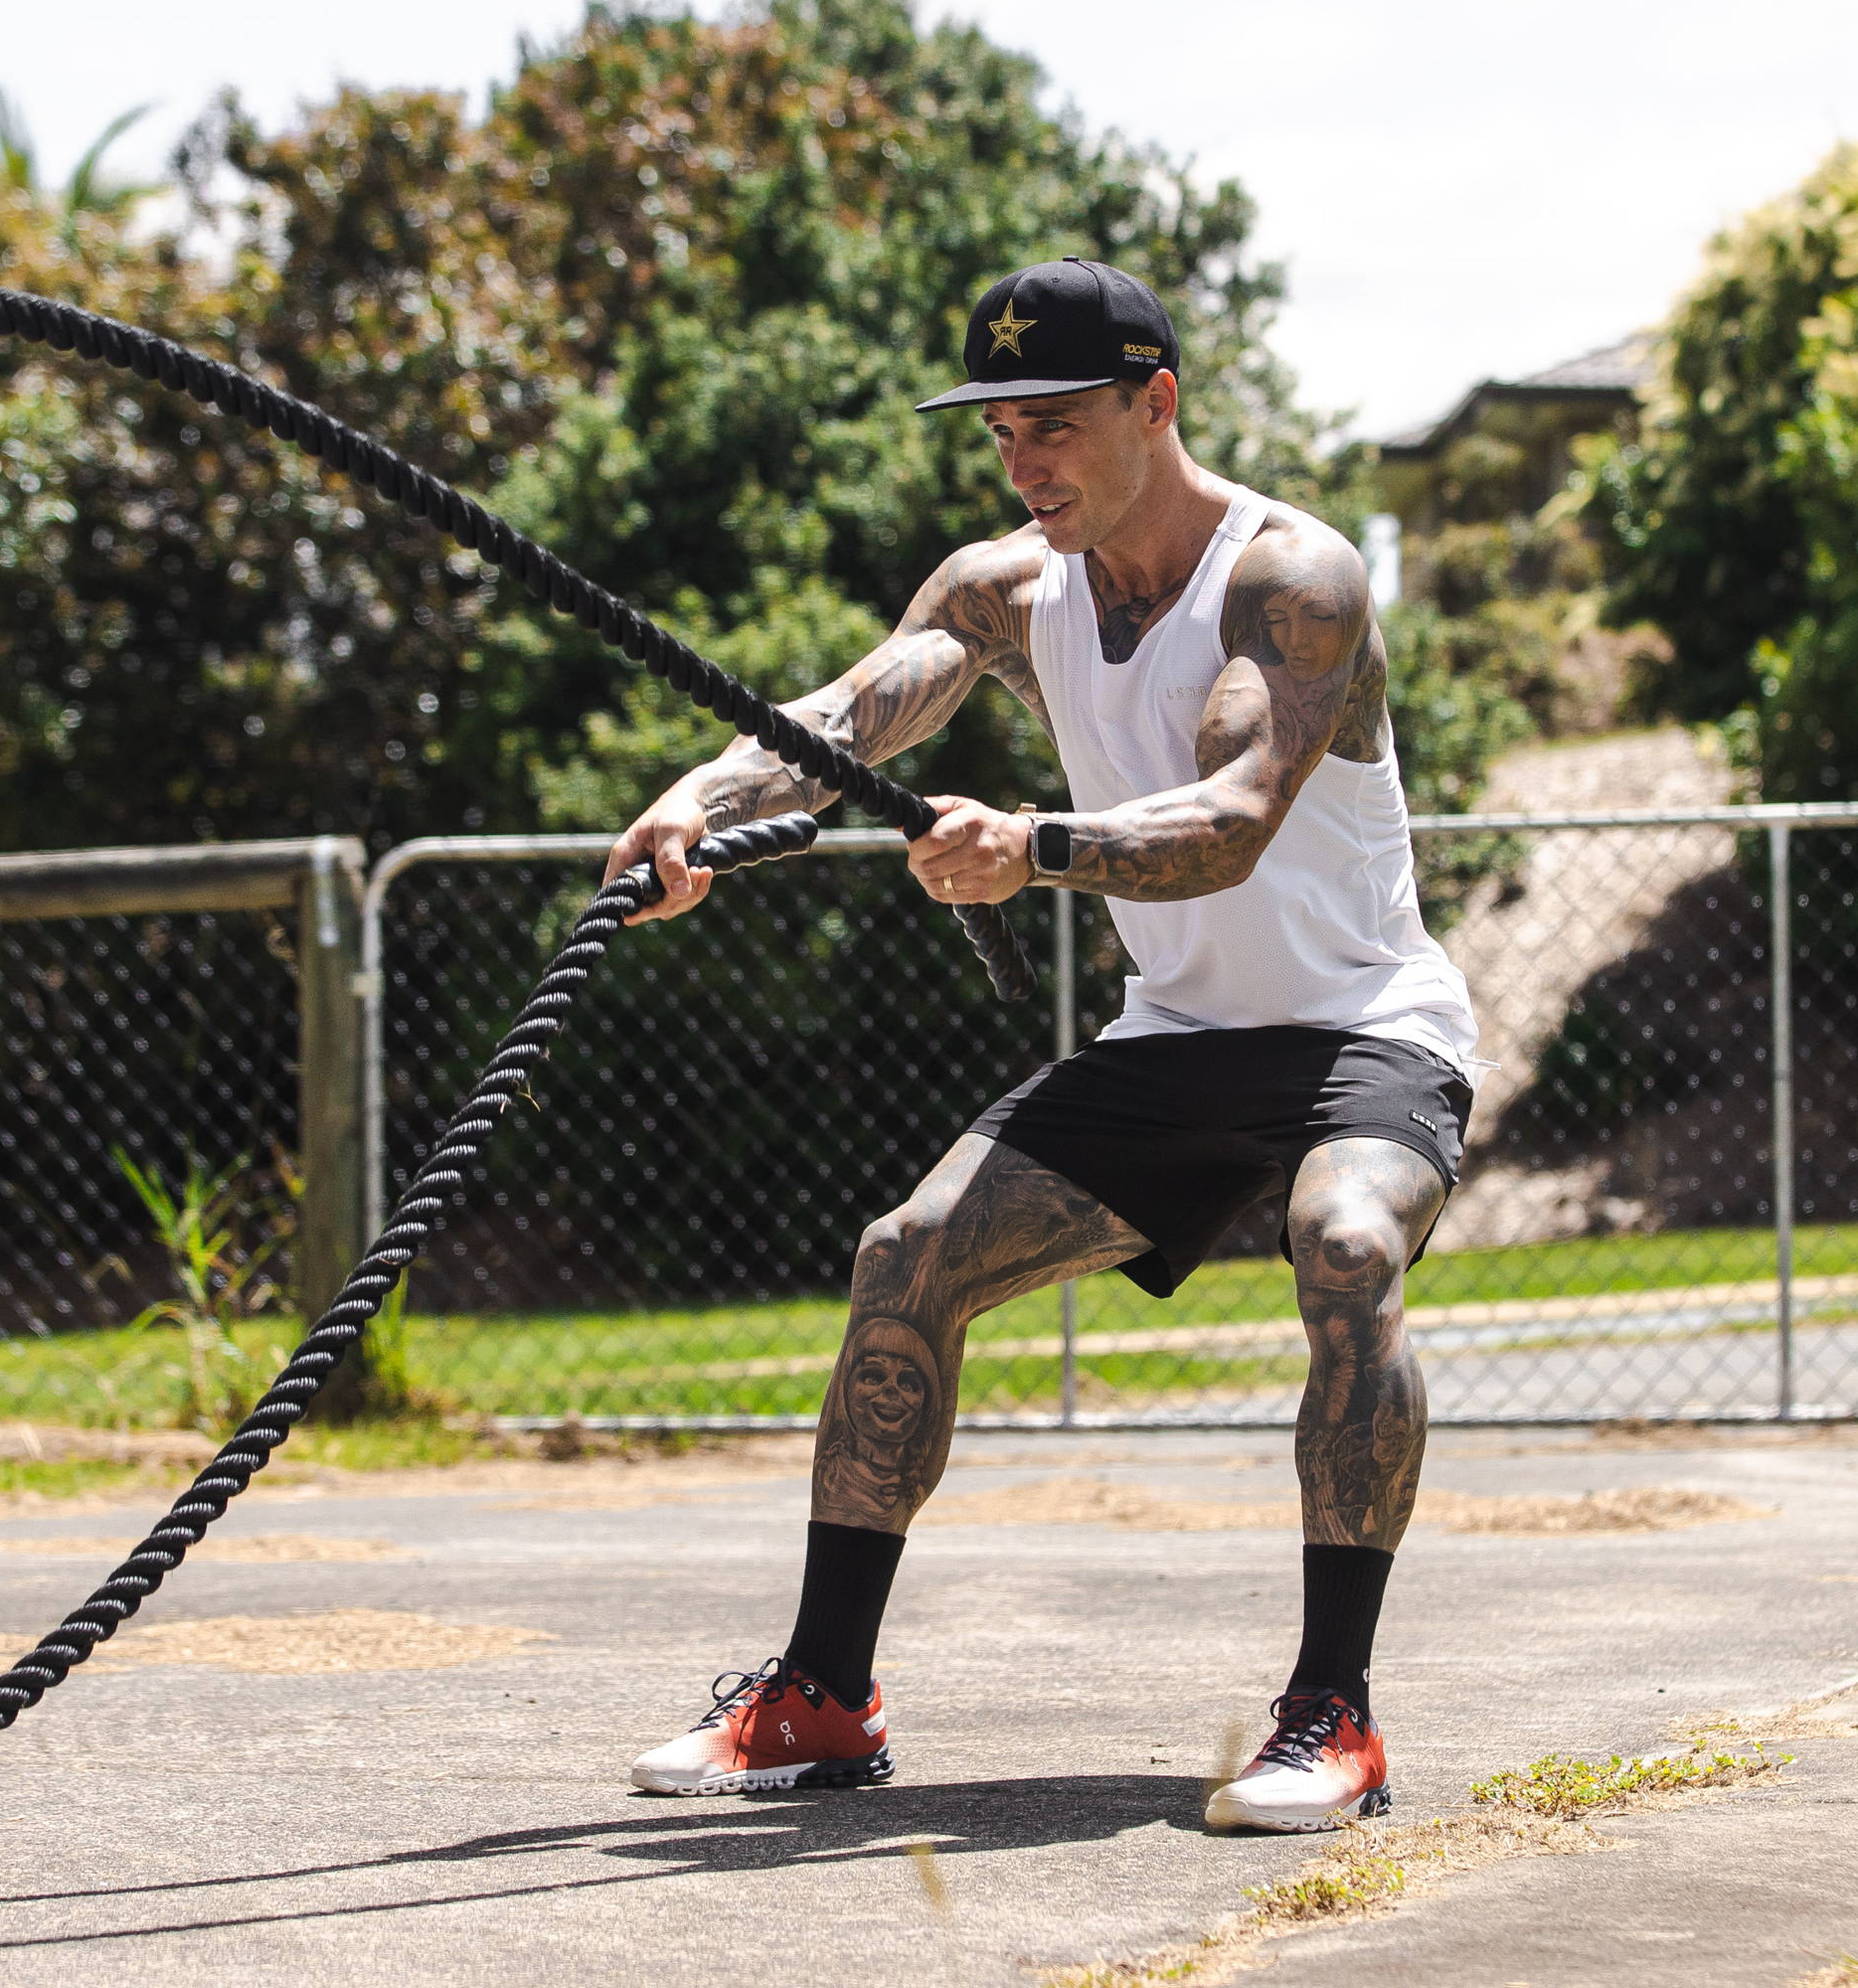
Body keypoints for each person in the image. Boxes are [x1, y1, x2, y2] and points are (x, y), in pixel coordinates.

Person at [602, 257, 1478, 1833]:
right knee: (907, 1253)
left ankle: (1332, 1717)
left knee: (1347, 1243)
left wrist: (1037, 848)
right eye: (1003, 432)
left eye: (1058, 426)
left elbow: (1226, 824)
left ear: (1158, 402)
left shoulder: (1297, 581)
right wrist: (705, 802)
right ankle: (820, 1697)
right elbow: (855, 712)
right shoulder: (1006, 585)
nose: (1026, 466)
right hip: (1177, 1039)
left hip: (1360, 1028)